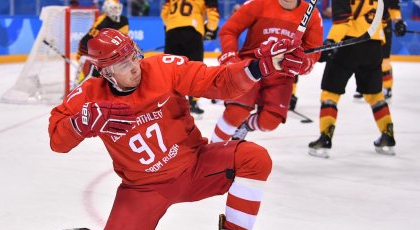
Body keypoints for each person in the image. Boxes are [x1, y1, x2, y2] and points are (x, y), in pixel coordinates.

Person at [39, 28, 307, 230]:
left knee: (254, 157)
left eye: (134, 57)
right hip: (143, 188)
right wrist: (79, 123)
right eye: (123, 64)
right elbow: (57, 140)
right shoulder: (89, 96)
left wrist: (264, 65)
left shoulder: (162, 67)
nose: (135, 67)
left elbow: (217, 81)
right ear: (105, 72)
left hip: (194, 166)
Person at [210, 0, 322, 143]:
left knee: (269, 122)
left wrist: (303, 63)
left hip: (282, 74)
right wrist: (230, 56)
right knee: (235, 113)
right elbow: (229, 30)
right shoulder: (258, 3)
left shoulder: (313, 15)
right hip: (252, 66)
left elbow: (313, 53)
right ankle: (211, 152)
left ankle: (245, 125)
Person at [308, 0, 396, 158]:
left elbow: (343, 22)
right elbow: (385, 23)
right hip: (374, 46)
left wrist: (331, 43)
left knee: (330, 93)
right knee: (375, 95)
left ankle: (325, 138)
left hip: (349, 44)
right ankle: (388, 135)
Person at [160, 0, 220, 116]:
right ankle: (193, 103)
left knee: (169, 69)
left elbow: (164, 12)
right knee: (195, 69)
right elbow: (213, 15)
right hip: (193, 32)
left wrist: (172, 25)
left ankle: (168, 102)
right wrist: (209, 30)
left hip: (172, 32)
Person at [353, 0, 406, 101]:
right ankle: (363, 87)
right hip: (363, 26)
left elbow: (394, 6)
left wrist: (398, 21)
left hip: (383, 26)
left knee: (384, 59)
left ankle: (387, 88)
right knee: (362, 58)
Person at [75, 0, 129, 84]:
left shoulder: (124, 20)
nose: (116, 10)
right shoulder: (101, 21)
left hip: (106, 51)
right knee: (91, 76)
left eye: (117, 8)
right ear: (107, 9)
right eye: (113, 8)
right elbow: (91, 41)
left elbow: (122, 38)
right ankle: (79, 85)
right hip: (88, 49)